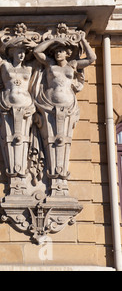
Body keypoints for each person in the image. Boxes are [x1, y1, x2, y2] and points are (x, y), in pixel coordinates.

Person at [33, 33, 96, 195]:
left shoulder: (73, 65)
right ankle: (54, 175)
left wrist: (81, 39)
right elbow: (36, 52)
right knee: (52, 140)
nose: (57, 53)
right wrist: (53, 40)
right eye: (56, 51)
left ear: (67, 53)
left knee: (63, 140)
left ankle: (59, 176)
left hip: (68, 106)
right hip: (49, 106)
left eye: (61, 51)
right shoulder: (49, 64)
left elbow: (91, 58)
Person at [0, 27, 39, 193]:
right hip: (7, 106)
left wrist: (33, 44)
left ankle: (21, 172)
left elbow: (44, 59)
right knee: (10, 139)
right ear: (12, 53)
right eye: (18, 51)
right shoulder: (5, 66)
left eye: (23, 52)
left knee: (22, 139)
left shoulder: (30, 69)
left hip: (25, 106)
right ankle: (15, 173)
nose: (21, 55)